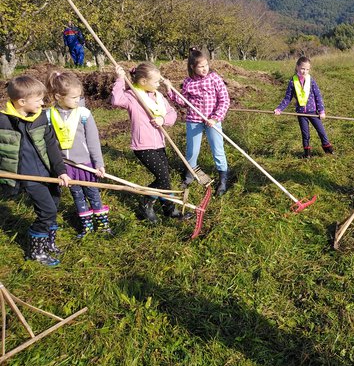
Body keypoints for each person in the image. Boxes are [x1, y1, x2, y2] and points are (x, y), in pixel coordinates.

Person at [0, 76, 71, 266]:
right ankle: (35, 251)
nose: (42, 102)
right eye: (38, 99)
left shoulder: (40, 118)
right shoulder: (3, 121)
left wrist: (60, 170)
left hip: (48, 173)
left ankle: (48, 241)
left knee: (54, 205)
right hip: (27, 176)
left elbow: (51, 146)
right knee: (47, 211)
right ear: (22, 102)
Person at [111, 62, 180, 223]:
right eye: (155, 82)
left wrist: (163, 119)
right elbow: (116, 100)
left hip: (160, 143)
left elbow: (172, 113)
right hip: (143, 146)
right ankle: (145, 203)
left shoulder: (158, 96)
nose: (158, 84)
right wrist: (120, 79)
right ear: (143, 82)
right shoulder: (132, 96)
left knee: (165, 178)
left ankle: (169, 210)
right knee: (162, 177)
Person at [46, 70, 111, 237]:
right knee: (77, 195)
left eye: (79, 97)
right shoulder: (48, 116)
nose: (78, 100)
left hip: (86, 164)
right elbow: (49, 144)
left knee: (93, 193)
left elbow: (93, 141)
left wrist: (99, 163)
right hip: (67, 166)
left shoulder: (83, 114)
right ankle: (87, 226)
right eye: (74, 98)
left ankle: (103, 225)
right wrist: (57, 168)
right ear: (58, 96)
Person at [163, 48, 231, 196]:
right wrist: (169, 89)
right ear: (192, 67)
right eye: (200, 66)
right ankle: (189, 175)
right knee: (192, 150)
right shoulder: (188, 82)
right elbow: (183, 102)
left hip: (212, 120)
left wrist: (215, 117)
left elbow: (224, 100)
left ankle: (223, 178)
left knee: (217, 150)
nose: (204, 68)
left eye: (206, 65)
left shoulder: (214, 78)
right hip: (194, 120)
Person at [274, 56, 333, 158]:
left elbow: (318, 96)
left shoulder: (311, 80)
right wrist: (279, 109)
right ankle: (307, 153)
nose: (304, 71)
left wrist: (321, 111)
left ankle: (328, 149)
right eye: (302, 68)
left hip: (313, 111)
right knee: (305, 134)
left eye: (307, 69)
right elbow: (287, 98)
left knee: (321, 131)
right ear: (297, 67)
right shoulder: (293, 81)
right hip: (300, 113)